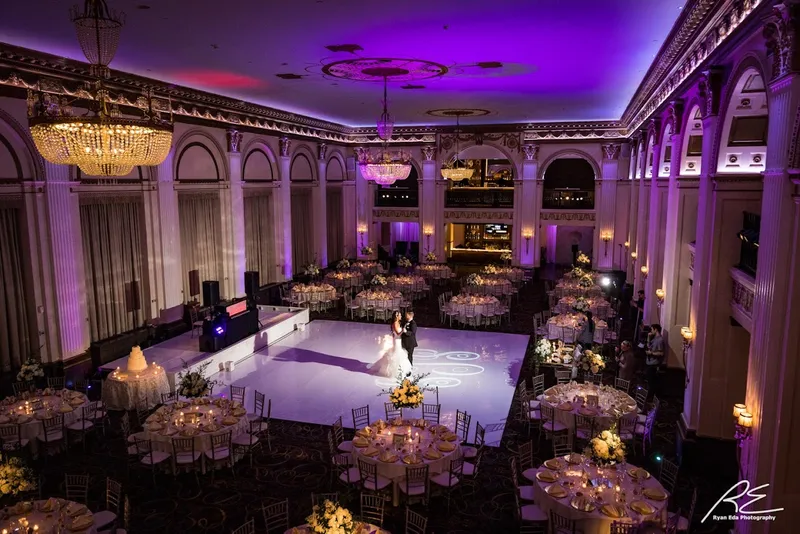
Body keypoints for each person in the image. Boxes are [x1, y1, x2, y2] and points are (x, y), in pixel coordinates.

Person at [367, 311, 411, 377]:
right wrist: (403, 330)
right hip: (396, 341)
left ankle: (400, 369)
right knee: (396, 353)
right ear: (397, 316)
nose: (401, 316)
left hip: (399, 340)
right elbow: (398, 334)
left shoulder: (398, 323)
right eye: (400, 315)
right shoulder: (395, 324)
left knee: (400, 353)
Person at [645, 324, 664, 393]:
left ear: (656, 330)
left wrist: (651, 353)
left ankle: (651, 397)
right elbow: (649, 346)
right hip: (649, 362)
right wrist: (648, 337)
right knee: (649, 380)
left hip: (653, 364)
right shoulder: (654, 338)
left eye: (652, 329)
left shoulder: (659, 340)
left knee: (652, 382)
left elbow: (661, 353)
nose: (651, 331)